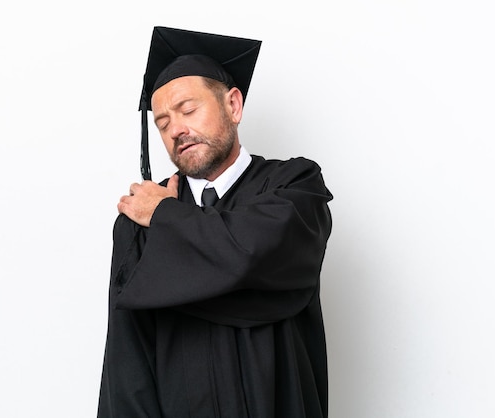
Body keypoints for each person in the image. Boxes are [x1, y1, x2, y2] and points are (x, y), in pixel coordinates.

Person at [97, 26, 334, 418]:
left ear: (234, 106)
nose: (176, 129)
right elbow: (128, 361)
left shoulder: (293, 186)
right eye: (162, 122)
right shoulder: (136, 222)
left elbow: (253, 254)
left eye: (188, 109)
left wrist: (165, 216)